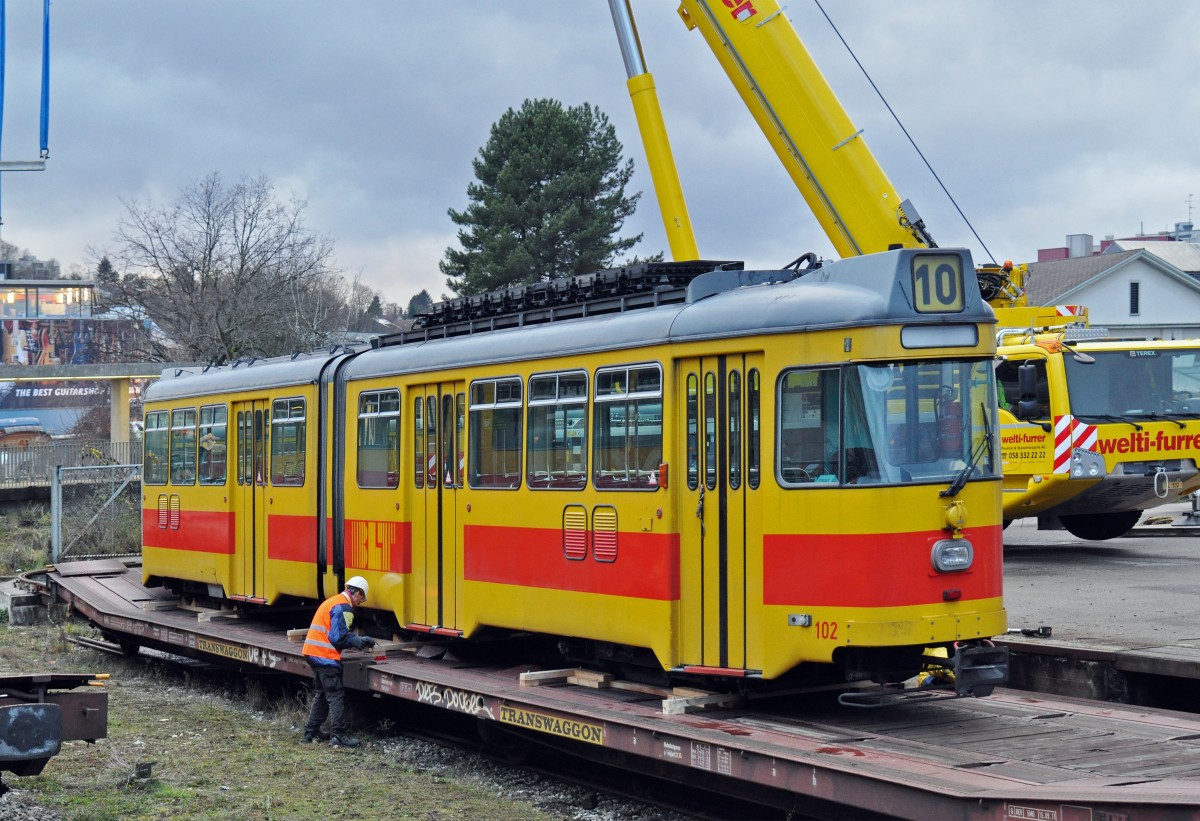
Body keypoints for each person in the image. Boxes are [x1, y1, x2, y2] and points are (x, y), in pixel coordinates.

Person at [301, 576, 376, 747]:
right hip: (325, 655)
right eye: (361, 599)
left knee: (321, 694)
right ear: (357, 593)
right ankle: (339, 736)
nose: (359, 603)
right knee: (335, 696)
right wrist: (360, 641)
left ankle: (310, 733)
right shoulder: (345, 607)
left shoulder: (334, 601)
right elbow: (338, 638)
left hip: (312, 652)